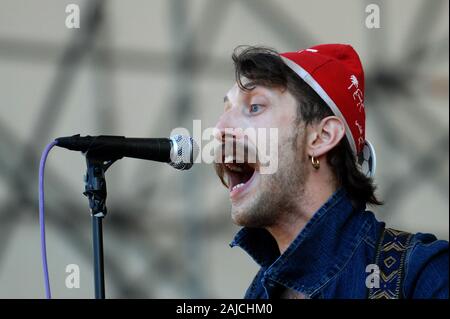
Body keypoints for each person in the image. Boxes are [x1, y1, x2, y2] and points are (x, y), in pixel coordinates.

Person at [213, 44, 448, 299]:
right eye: (226, 110)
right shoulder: (256, 296)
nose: (220, 128)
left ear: (322, 137)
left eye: (255, 107)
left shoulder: (423, 275)